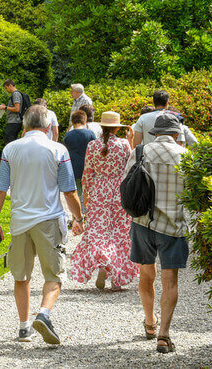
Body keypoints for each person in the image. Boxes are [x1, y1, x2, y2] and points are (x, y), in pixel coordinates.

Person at [0, 105, 85, 346]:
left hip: (20, 222)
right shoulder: (57, 149)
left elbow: (1, 188)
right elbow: (70, 191)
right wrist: (79, 219)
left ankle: (24, 328)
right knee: (54, 275)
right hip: (49, 220)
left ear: (24, 126)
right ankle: (43, 314)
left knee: (21, 276)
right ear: (49, 126)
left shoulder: (10, 149)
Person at [124, 114, 189, 354]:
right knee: (170, 280)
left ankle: (149, 322)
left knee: (146, 274)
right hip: (173, 225)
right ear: (175, 134)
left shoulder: (140, 152)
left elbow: (126, 184)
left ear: (155, 133)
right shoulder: (186, 157)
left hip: (143, 223)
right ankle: (164, 335)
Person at [71, 111, 139, 291]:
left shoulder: (92, 145)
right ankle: (116, 279)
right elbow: (131, 167)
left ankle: (103, 265)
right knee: (119, 234)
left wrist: (87, 198)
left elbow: (87, 174)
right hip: (119, 193)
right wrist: (131, 142)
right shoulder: (123, 144)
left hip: (99, 192)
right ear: (117, 128)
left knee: (99, 232)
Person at [62, 110, 95, 206]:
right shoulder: (90, 134)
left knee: (76, 191)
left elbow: (65, 150)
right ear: (85, 122)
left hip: (73, 167)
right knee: (87, 191)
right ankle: (86, 212)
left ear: (72, 122)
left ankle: (76, 216)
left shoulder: (69, 135)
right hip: (88, 167)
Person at [0, 80, 23, 145]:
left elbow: (17, 109)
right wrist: (5, 106)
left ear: (10, 85)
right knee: (11, 142)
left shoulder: (16, 94)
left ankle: (10, 155)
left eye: (6, 88)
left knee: (9, 143)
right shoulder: (15, 94)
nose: (6, 90)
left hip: (14, 121)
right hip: (13, 121)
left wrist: (5, 107)